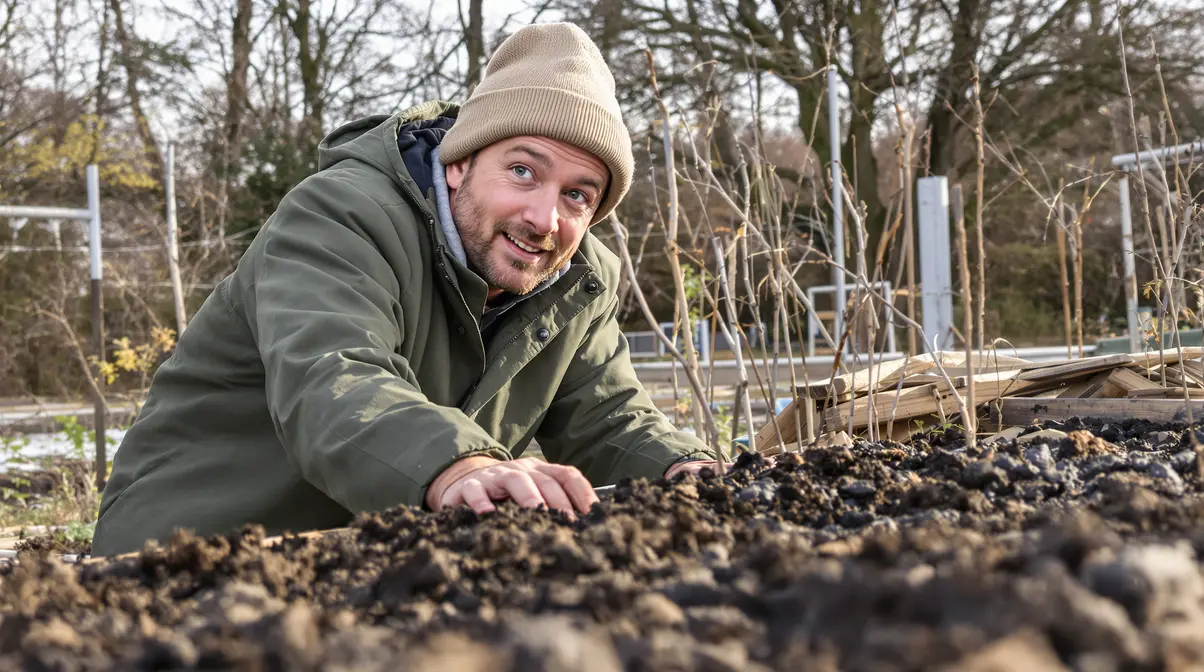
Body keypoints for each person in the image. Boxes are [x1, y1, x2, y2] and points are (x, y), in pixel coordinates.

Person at [91, 22, 719, 556]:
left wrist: (691, 471)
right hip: (184, 557)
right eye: (523, 171)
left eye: (577, 195)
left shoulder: (577, 280)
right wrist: (461, 466)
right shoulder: (340, 216)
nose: (544, 219)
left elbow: (606, 416)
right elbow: (334, 379)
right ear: (459, 162)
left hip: (369, 563)